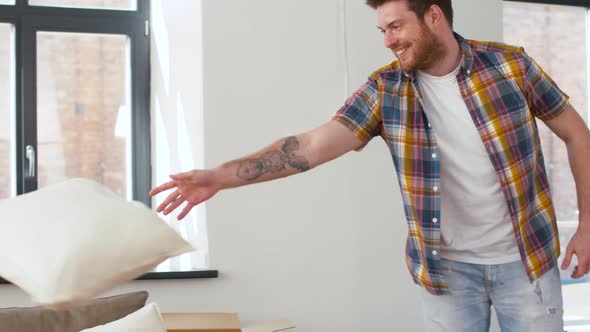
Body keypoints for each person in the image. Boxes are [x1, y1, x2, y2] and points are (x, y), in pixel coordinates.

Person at [150, 0, 590, 330]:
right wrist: (218, 178)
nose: (388, 40)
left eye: (396, 26)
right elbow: (310, 146)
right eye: (382, 29)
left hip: (525, 261)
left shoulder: (510, 66)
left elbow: (577, 134)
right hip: (446, 272)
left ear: (434, 17)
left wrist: (587, 226)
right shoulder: (386, 90)